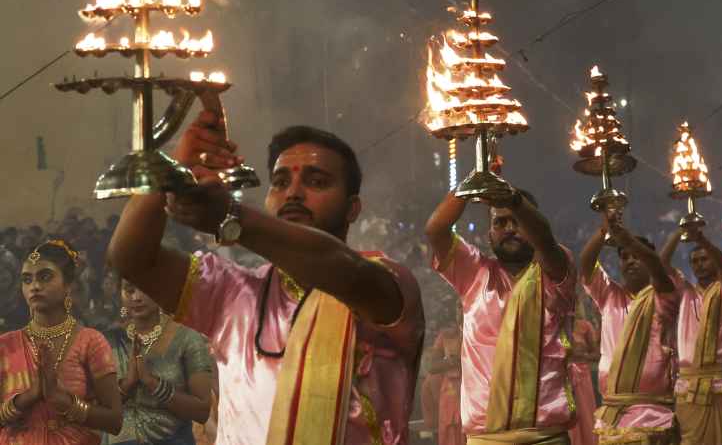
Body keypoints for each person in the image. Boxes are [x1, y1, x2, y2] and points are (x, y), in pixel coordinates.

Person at [107, 114, 424, 445]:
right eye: (280, 182)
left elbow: (338, 267)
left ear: (352, 209)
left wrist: (231, 218)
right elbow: (130, 257)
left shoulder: (386, 283)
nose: (294, 194)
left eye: (317, 182)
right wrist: (172, 170)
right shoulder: (233, 292)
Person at [425, 187, 576, 445]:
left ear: (534, 223)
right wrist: (476, 178)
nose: (509, 228)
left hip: (546, 437)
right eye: (500, 222)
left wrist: (512, 200)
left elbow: (546, 242)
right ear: (489, 234)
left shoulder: (555, 270)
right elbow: (436, 229)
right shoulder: (473, 272)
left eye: (517, 221)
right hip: (487, 439)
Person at [0, 240, 122, 444]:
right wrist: (28, 397)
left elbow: (114, 421)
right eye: (27, 279)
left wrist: (62, 400)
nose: (35, 286)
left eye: (45, 277)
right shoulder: (5, 345)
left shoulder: (91, 342)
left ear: (69, 285)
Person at [580, 215, 680, 445]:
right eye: (624, 257)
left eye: (637, 256)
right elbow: (586, 266)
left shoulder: (664, 296)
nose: (630, 261)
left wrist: (629, 241)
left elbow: (659, 268)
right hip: (612, 414)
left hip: (652, 414)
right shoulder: (609, 295)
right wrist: (602, 232)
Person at [103, 278, 214, 444]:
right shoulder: (108, 340)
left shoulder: (188, 339)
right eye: (129, 290)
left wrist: (153, 383)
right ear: (120, 293)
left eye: (145, 289)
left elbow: (202, 411)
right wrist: (128, 383)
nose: (136, 297)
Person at [660, 229, 722, 445]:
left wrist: (703, 239)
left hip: (717, 384)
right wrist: (678, 233)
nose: (699, 264)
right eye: (694, 261)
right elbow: (661, 265)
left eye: (704, 259)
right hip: (687, 385)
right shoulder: (684, 290)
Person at [425, 304, 465, 445]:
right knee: (450, 434)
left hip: (473, 392)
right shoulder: (446, 336)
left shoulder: (481, 332)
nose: (460, 310)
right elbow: (432, 366)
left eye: (463, 306)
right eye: (458, 306)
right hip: (451, 395)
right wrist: (452, 362)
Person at [567, 300, 598, 445]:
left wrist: (583, 356)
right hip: (564, 376)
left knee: (585, 413)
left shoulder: (585, 326)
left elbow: (597, 354)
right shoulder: (557, 325)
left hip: (583, 375)